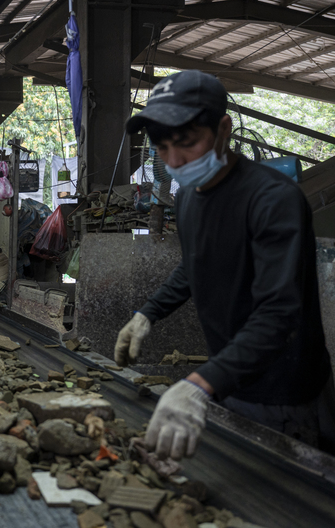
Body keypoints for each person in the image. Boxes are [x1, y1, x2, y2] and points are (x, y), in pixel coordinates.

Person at [116, 70, 334, 460]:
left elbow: (279, 313)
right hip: (230, 380)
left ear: (223, 129)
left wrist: (199, 383)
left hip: (283, 391)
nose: (175, 160)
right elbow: (194, 266)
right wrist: (147, 314)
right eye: (162, 147)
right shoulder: (187, 200)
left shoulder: (272, 200)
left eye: (186, 142)